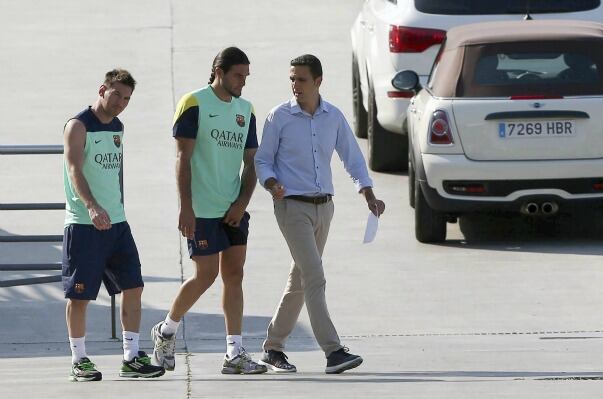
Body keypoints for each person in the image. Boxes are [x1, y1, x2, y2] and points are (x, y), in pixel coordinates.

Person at [254, 54, 386, 374]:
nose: (295, 85)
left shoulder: (333, 117)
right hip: (291, 208)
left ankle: (273, 348)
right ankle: (333, 351)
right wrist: (271, 183)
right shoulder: (279, 116)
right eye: (292, 79)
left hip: (324, 208)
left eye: (301, 79)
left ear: (318, 81)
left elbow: (352, 158)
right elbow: (262, 161)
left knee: (299, 279)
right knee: (315, 276)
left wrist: (367, 192)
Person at [151, 46, 266, 375]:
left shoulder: (246, 109)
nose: (242, 82)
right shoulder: (194, 102)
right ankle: (166, 331)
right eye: (237, 75)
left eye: (246, 76)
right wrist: (185, 207)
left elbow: (251, 161)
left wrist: (242, 202)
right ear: (219, 71)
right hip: (201, 210)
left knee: (235, 275)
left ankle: (234, 353)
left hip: (233, 210)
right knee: (205, 275)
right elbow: (182, 158)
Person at [62, 69, 165, 381]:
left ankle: (131, 357)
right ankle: (79, 360)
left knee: (134, 287)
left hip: (118, 224)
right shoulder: (78, 125)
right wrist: (92, 206)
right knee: (79, 296)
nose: (121, 102)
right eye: (117, 94)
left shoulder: (118, 126)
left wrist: (114, 209)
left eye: (127, 98)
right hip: (84, 225)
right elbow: (74, 170)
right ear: (102, 89)